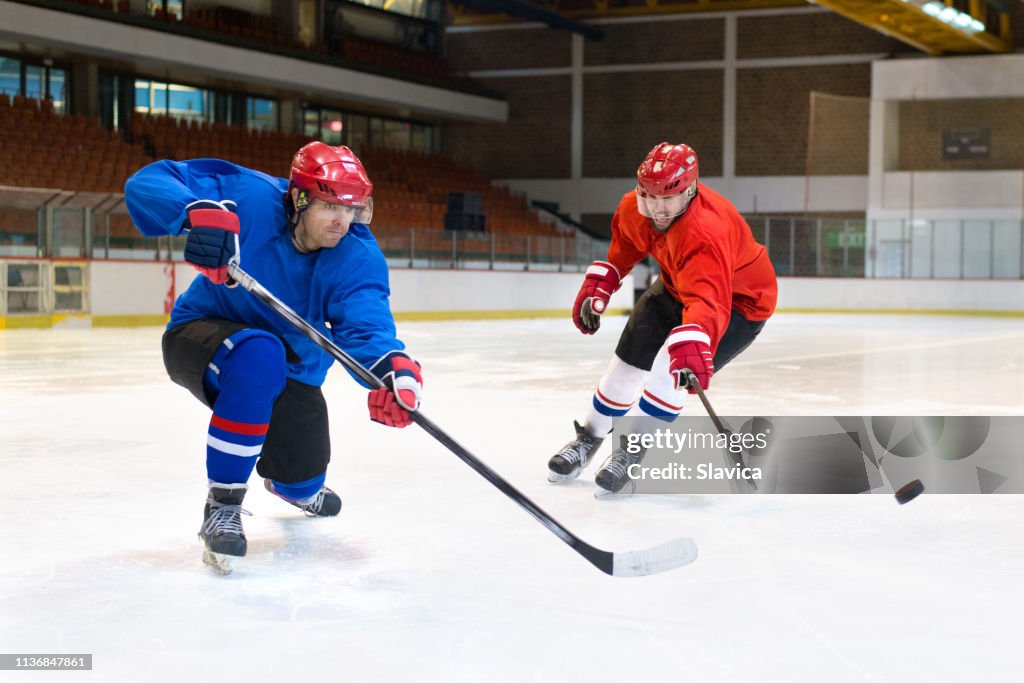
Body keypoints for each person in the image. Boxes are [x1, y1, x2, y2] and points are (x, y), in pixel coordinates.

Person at [125, 141, 423, 574]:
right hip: (200, 337)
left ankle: (293, 486)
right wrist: (195, 213)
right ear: (299, 198)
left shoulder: (357, 256)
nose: (343, 222)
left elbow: (367, 326)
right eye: (330, 207)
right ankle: (222, 506)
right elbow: (148, 182)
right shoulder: (246, 196)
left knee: (303, 478)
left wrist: (393, 373)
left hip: (293, 370)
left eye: (354, 209)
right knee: (258, 354)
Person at [547, 142, 777, 493]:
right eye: (649, 197)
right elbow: (626, 245)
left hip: (738, 303)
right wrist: (604, 280)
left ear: (691, 190)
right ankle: (589, 438)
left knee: (667, 374)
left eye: (667, 199)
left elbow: (709, 301)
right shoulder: (635, 207)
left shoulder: (706, 232)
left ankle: (632, 451)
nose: (657, 209)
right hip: (675, 285)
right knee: (624, 366)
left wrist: (694, 337)